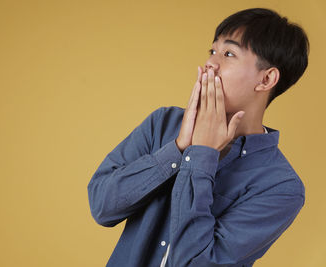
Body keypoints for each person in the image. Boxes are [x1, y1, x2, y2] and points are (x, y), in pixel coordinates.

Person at [87, 7, 309, 267]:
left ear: (267, 79)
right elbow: (102, 208)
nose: (211, 64)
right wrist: (178, 149)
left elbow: (195, 263)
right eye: (212, 51)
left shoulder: (281, 187)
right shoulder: (163, 123)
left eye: (228, 54)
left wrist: (202, 156)